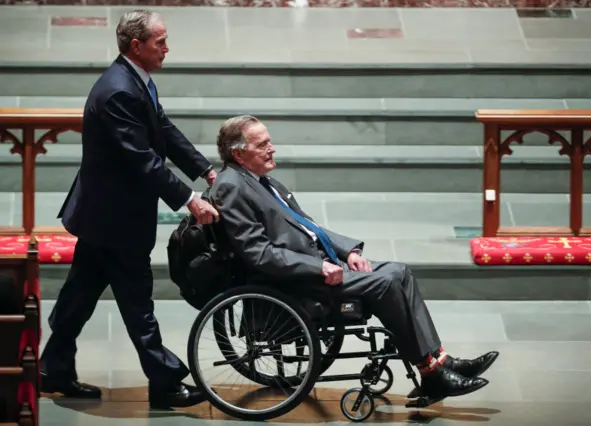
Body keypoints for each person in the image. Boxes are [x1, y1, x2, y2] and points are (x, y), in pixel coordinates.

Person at [207, 115, 499, 401]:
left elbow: (310, 228)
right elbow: (258, 254)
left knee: (399, 272)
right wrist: (318, 266)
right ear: (239, 153)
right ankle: (431, 371)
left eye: (270, 142)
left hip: (315, 265)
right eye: (263, 144)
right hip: (295, 281)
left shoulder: (260, 180)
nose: (272, 148)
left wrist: (350, 252)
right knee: (385, 283)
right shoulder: (232, 186)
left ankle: (440, 359)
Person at [39, 10, 218, 409]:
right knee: (138, 303)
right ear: (136, 46)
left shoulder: (134, 81)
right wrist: (189, 199)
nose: (167, 48)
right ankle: (165, 381)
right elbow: (143, 159)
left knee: (78, 297)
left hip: (104, 217)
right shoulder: (119, 89)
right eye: (160, 42)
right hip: (115, 220)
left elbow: (163, 129)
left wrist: (205, 170)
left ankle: (53, 368)